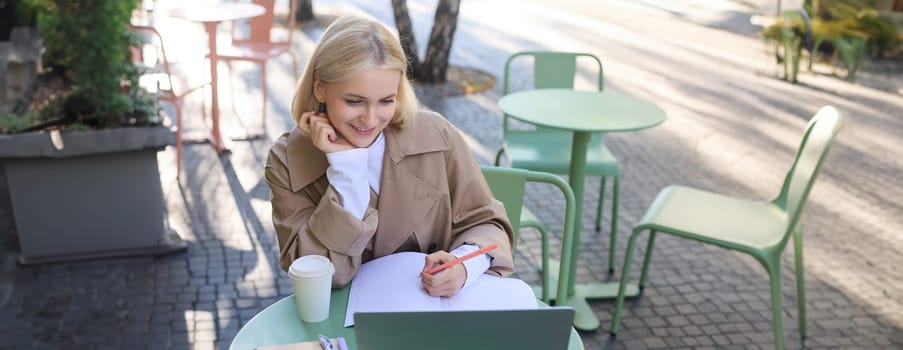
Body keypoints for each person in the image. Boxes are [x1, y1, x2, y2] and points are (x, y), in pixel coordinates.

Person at [265, 15, 514, 297]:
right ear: (319, 87)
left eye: (386, 100)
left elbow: (487, 224)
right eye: (354, 101)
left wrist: (463, 268)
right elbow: (317, 273)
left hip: (433, 310)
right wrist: (348, 172)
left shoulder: (437, 135)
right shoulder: (287, 160)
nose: (370, 119)